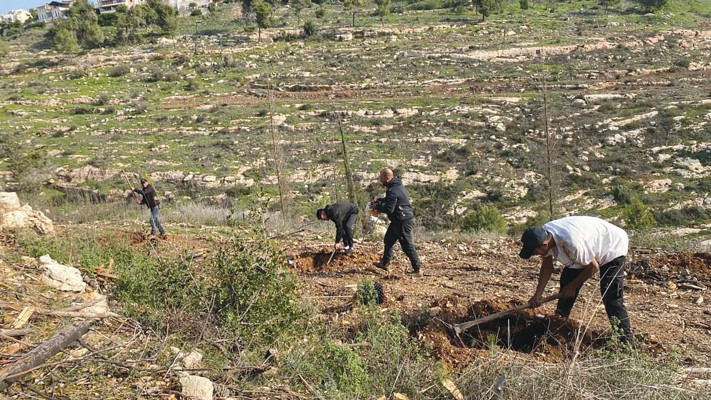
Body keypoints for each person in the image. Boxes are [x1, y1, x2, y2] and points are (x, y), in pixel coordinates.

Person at [519, 215, 634, 345]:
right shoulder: (543, 234)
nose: (534, 254)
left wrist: (573, 287)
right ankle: (558, 327)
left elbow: (593, 266)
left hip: (612, 245)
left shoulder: (572, 244)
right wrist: (537, 295)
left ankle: (627, 343)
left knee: (611, 296)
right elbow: (547, 266)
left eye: (534, 252)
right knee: (566, 284)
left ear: (544, 245)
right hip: (588, 244)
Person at [371, 168, 422, 276]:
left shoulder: (393, 190)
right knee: (388, 240)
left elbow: (389, 209)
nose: (381, 180)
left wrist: (377, 207)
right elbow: (390, 200)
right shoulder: (396, 186)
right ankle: (385, 263)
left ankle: (417, 269)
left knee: (407, 245)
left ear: (387, 177)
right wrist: (379, 200)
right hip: (397, 219)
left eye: (381, 178)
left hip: (402, 220)